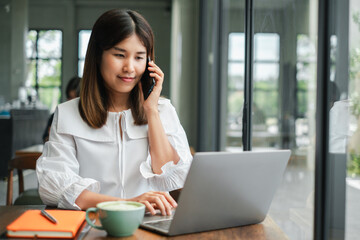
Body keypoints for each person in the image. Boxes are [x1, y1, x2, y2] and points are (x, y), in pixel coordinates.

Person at [36, 9, 193, 216]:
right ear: (98, 56)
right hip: (95, 223)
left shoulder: (162, 110)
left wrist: (151, 111)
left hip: (151, 224)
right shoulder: (67, 113)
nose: (130, 67)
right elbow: (56, 187)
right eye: (120, 55)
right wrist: (127, 204)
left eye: (139, 57)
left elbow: (174, 175)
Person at [42, 76, 81, 142]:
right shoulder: (57, 116)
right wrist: (51, 137)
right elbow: (45, 139)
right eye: (69, 97)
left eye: (75, 99)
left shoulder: (87, 119)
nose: (71, 101)